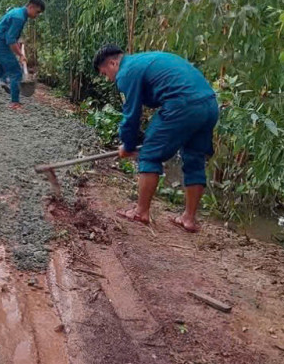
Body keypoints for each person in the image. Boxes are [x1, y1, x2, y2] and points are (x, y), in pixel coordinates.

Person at [93, 45, 218, 233]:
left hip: (182, 104)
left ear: (113, 62)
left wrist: (127, 145)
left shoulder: (126, 72)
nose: (108, 78)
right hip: (209, 105)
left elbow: (131, 115)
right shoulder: (143, 60)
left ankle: (140, 212)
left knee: (149, 154)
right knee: (195, 158)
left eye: (105, 73)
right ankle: (189, 218)